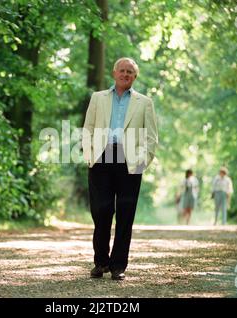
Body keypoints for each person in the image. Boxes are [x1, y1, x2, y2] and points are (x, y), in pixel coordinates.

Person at [82, 57, 158, 280]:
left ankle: (118, 267)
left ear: (135, 77)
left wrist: (142, 162)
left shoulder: (144, 102)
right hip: (101, 158)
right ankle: (100, 262)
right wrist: (89, 156)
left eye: (130, 72)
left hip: (130, 161)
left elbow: (151, 138)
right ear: (114, 73)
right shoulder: (98, 98)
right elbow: (88, 128)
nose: (125, 74)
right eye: (122, 71)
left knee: (125, 215)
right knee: (101, 211)